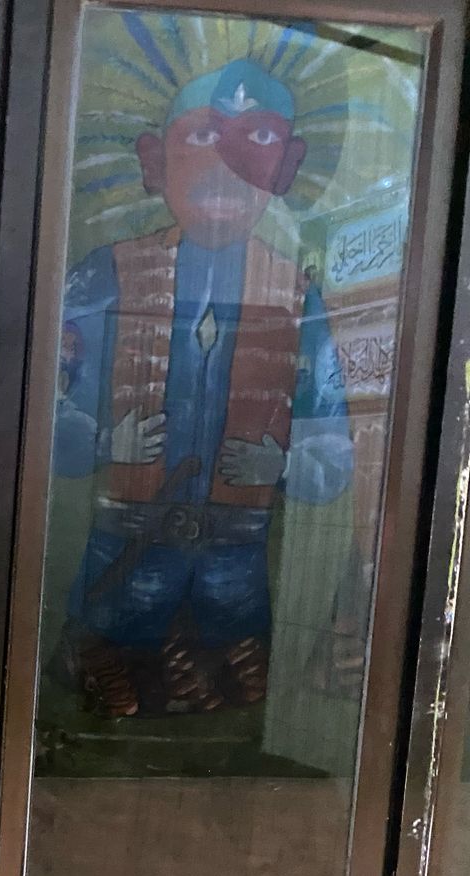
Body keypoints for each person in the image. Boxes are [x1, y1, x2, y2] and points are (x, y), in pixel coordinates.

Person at [53, 58, 351, 717]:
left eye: (260, 142)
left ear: (288, 166)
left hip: (236, 577)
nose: (228, 169)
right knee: (106, 717)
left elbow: (333, 442)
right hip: (123, 564)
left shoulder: (298, 298)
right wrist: (102, 439)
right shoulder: (105, 276)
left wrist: (284, 464)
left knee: (235, 722)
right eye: (202, 140)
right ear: (154, 160)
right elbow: (42, 412)